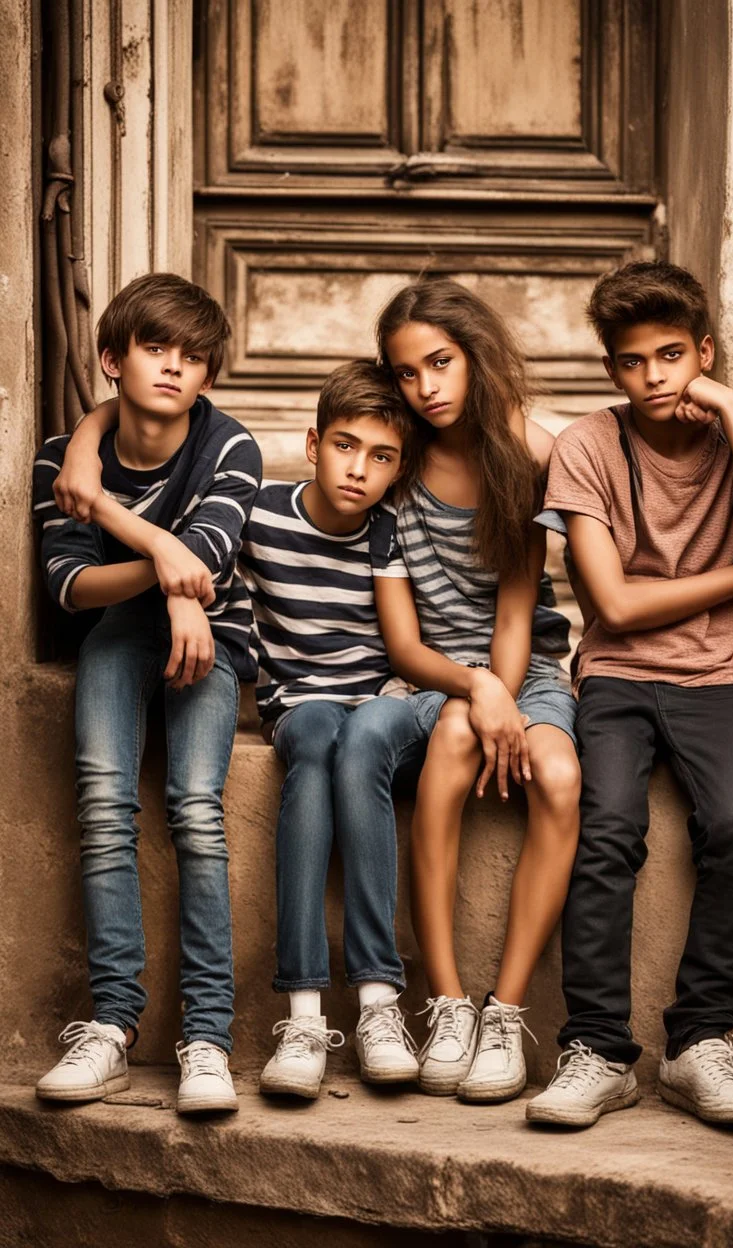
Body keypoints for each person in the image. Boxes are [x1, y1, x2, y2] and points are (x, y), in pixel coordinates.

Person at [526, 260, 733, 1129]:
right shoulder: (586, 446)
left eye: (673, 356)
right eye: (634, 361)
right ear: (612, 368)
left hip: (725, 678)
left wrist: (732, 411)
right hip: (614, 675)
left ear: (705, 354)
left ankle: (699, 1044)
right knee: (606, 829)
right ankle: (598, 1050)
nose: (655, 377)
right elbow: (610, 604)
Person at [33, 272, 262, 1114]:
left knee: (197, 810)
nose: (174, 368)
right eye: (156, 349)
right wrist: (163, 568)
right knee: (102, 805)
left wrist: (141, 542)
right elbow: (67, 586)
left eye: (193, 357)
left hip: (214, 642)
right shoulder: (62, 459)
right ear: (110, 360)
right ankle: (113, 1028)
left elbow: (210, 556)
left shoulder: (229, 445)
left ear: (209, 376)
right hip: (117, 640)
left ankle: (208, 1040)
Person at [372, 280, 581, 1104]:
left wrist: (502, 691)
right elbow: (403, 642)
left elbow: (520, 608)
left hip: (520, 663)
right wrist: (474, 692)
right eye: (406, 373)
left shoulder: (529, 456)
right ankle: (447, 1002)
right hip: (434, 672)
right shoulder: (399, 458)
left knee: (561, 776)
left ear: (475, 355)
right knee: (457, 736)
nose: (426, 387)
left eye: (440, 363)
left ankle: (506, 1011)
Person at [239, 361, 425, 1100]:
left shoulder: (395, 534)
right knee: (317, 736)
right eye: (346, 446)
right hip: (302, 707)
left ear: (399, 468)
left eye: (381, 458)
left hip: (384, 705)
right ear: (313, 443)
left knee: (356, 738)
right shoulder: (259, 515)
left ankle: (380, 1003)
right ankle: (304, 1015)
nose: (359, 470)